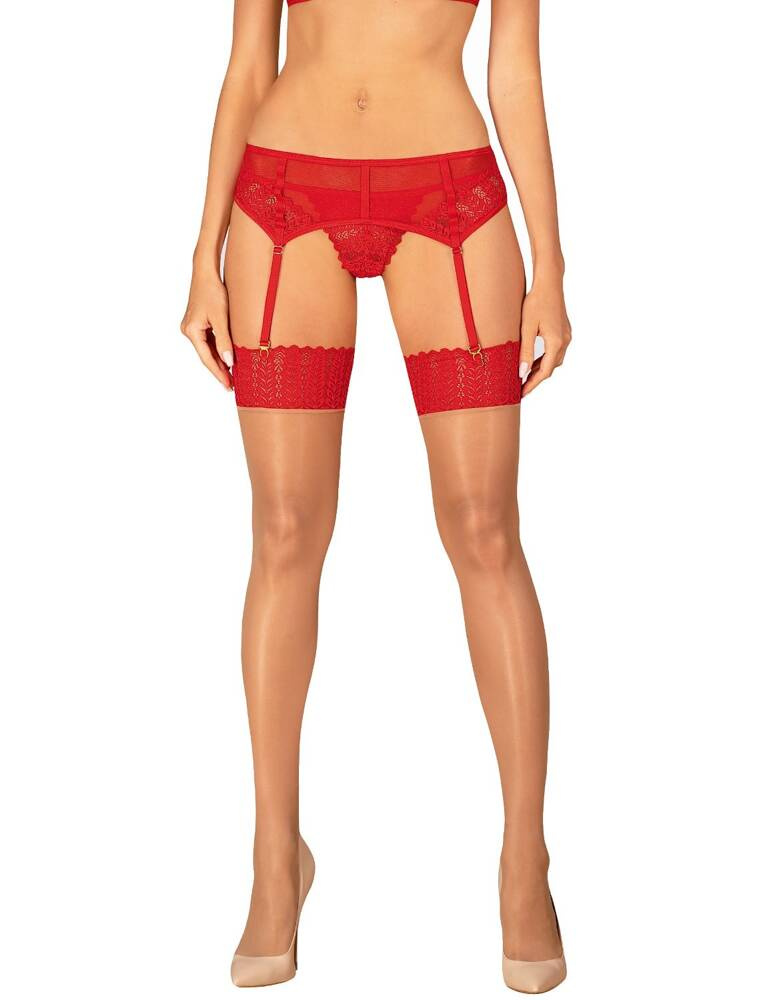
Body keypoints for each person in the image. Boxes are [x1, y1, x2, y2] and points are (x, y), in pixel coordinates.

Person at [181, 0, 571, 992]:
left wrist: (551, 267)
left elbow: (515, 70)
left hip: (451, 200)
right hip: (282, 197)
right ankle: (275, 857)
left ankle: (523, 859)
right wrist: (199, 259)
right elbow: (247, 61)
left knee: (484, 528)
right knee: (282, 530)